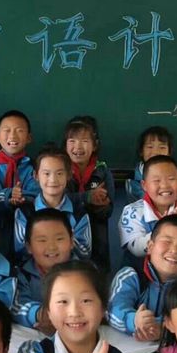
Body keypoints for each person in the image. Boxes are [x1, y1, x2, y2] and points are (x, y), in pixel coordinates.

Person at [108, 214, 177, 340]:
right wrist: (134, 320)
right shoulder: (131, 275)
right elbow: (112, 311)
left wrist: (163, 328)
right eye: (167, 241)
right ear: (150, 247)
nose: (174, 250)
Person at [119, 155, 177, 261]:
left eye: (171, 179)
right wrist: (168, 227)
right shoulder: (131, 211)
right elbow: (136, 248)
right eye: (157, 180)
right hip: (140, 269)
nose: (164, 185)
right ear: (144, 185)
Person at [14, 144, 91, 261]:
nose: (53, 180)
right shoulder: (24, 212)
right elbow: (20, 251)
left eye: (59, 173)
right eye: (46, 174)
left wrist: (62, 238)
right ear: (36, 175)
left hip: (68, 269)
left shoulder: (79, 213)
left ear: (69, 175)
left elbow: (85, 252)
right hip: (35, 270)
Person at [0, 110, 39, 258]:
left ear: (29, 138)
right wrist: (8, 196)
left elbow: (37, 194)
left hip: (28, 226)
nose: (12, 136)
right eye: (7, 130)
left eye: (19, 130)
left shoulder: (35, 167)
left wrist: (21, 196)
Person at [64, 116, 114, 273]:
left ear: (94, 145)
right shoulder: (60, 170)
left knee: (97, 277)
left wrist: (101, 205)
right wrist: (87, 197)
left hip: (97, 237)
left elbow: (109, 210)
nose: (78, 147)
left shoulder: (103, 171)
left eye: (84, 141)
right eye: (72, 141)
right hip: (67, 232)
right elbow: (58, 200)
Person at [14, 209, 74, 331]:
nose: (51, 247)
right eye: (42, 240)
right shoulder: (22, 275)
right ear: (29, 247)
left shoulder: (87, 273)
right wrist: (38, 314)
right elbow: (17, 306)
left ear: (72, 242)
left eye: (59, 239)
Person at [125, 126, 177, 204]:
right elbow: (141, 203)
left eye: (162, 147)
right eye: (150, 147)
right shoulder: (133, 179)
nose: (155, 152)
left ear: (169, 152)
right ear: (141, 151)